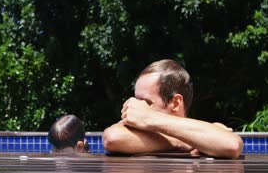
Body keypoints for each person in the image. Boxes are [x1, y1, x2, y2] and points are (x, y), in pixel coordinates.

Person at [102, 59, 243, 159]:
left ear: (175, 103)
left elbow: (231, 144)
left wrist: (148, 117)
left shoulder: (207, 131)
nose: (136, 109)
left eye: (145, 103)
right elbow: (112, 137)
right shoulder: (205, 134)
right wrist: (184, 142)